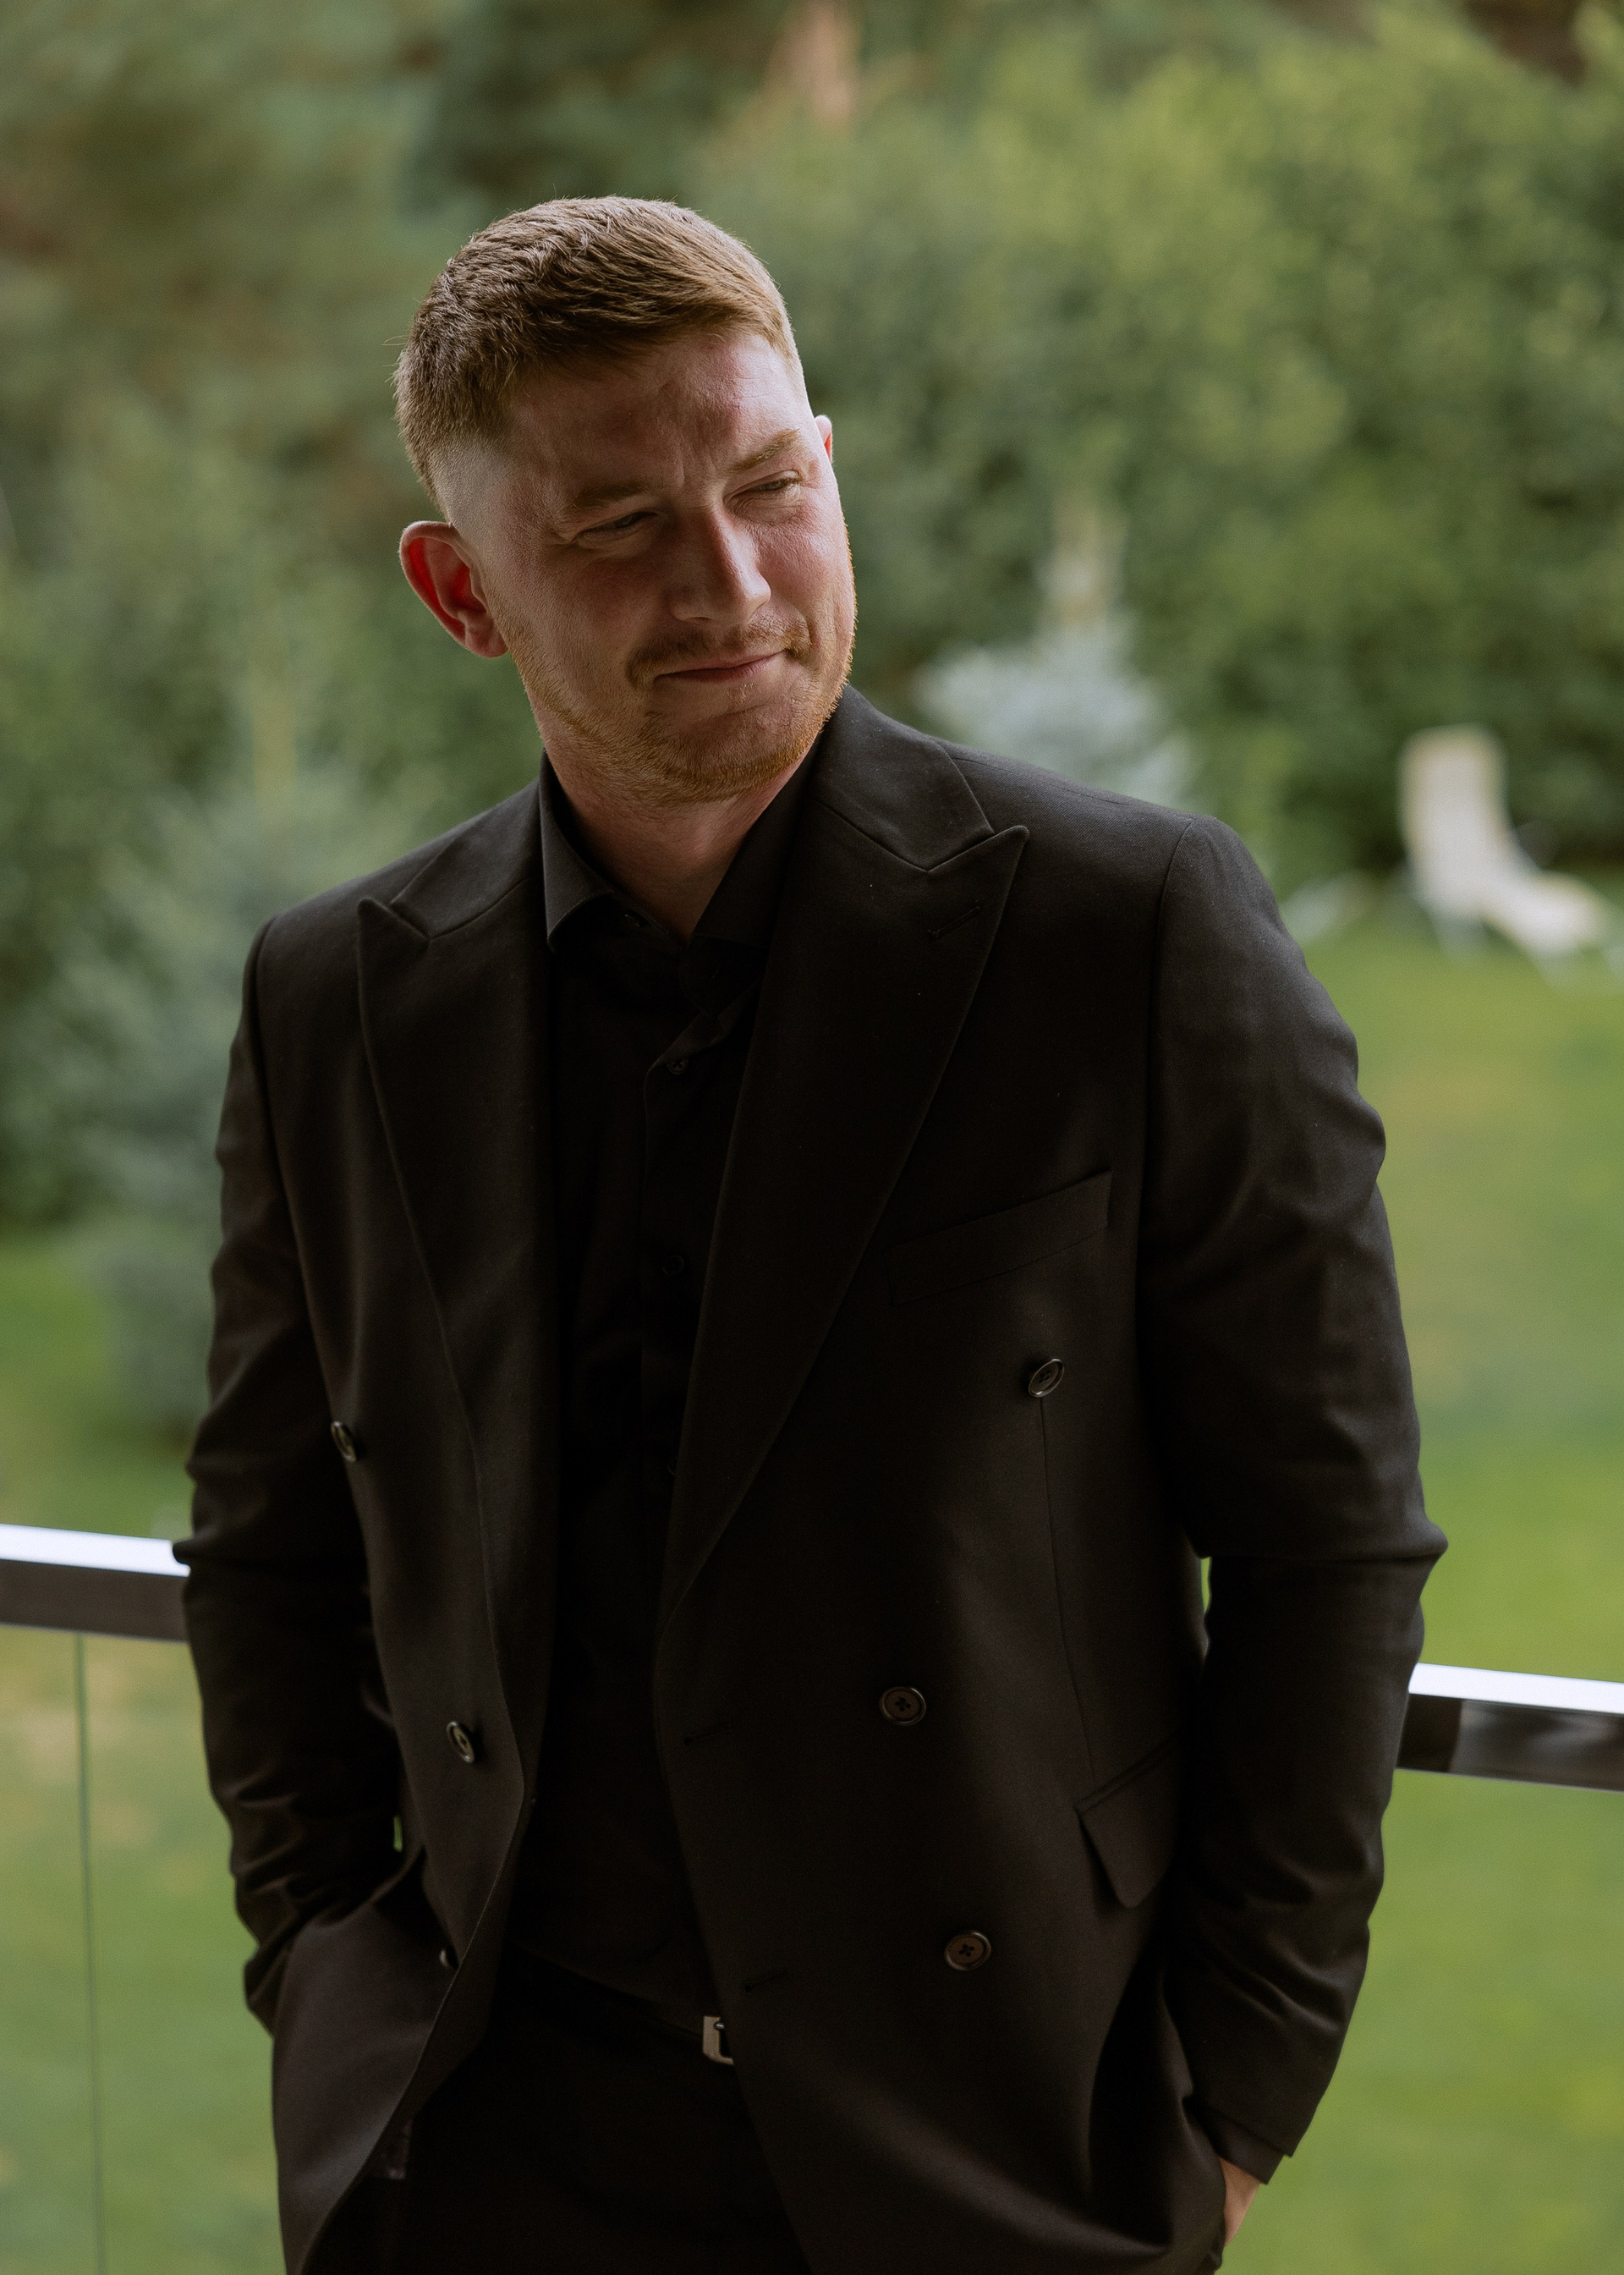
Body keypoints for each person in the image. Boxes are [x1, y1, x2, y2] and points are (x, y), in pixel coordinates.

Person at [181, 198, 1443, 2275]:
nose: (734, 583)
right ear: (460, 590)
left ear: (827, 467)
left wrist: (1231, 2095)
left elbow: (1331, 1542)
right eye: (619, 527)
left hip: (995, 2155)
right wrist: (323, 1962)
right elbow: (268, 1548)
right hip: (491, 2161)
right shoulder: (339, 998)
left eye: (770, 486)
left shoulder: (1128, 931)